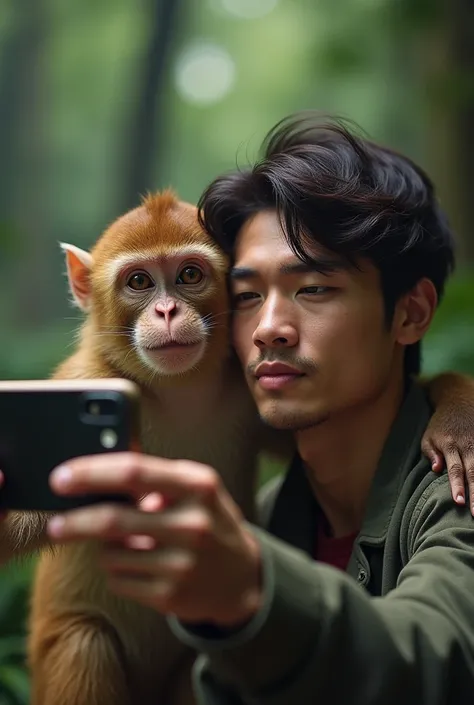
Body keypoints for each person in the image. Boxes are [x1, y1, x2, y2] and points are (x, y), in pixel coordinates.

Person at [12, 114, 474, 704]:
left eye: (312, 288)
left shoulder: (451, 488)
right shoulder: (275, 508)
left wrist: (457, 397)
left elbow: (440, 658)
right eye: (249, 296)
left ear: (410, 314)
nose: (270, 329)